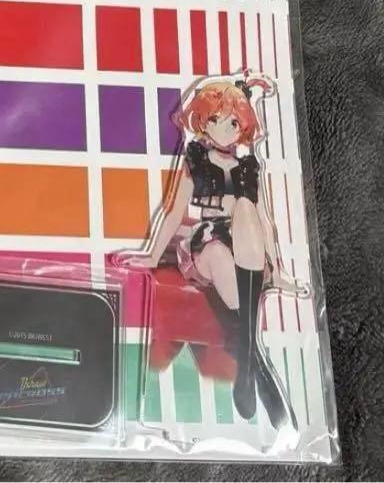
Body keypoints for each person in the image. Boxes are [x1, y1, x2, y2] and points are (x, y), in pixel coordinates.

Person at [125, 71, 308, 426]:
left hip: (245, 246)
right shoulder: (196, 160)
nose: (225, 128)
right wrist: (151, 255)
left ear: (244, 126)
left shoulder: (247, 166)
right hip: (209, 244)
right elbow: (173, 210)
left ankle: (247, 365)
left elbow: (263, 219)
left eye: (234, 122)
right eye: (216, 119)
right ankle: (252, 360)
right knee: (221, 253)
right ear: (203, 121)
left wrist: (278, 270)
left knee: (247, 207)